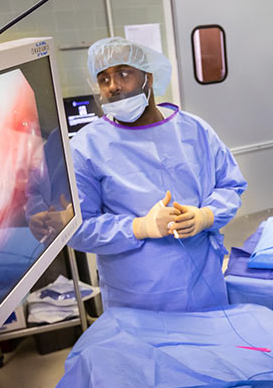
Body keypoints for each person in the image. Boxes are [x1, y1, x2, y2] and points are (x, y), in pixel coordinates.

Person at [69, 37, 247, 311]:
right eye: (104, 79)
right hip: (137, 297)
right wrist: (139, 227)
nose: (113, 86)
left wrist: (205, 216)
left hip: (203, 286)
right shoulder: (87, 147)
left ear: (148, 78)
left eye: (123, 74)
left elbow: (230, 186)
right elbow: (79, 228)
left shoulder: (194, 131)